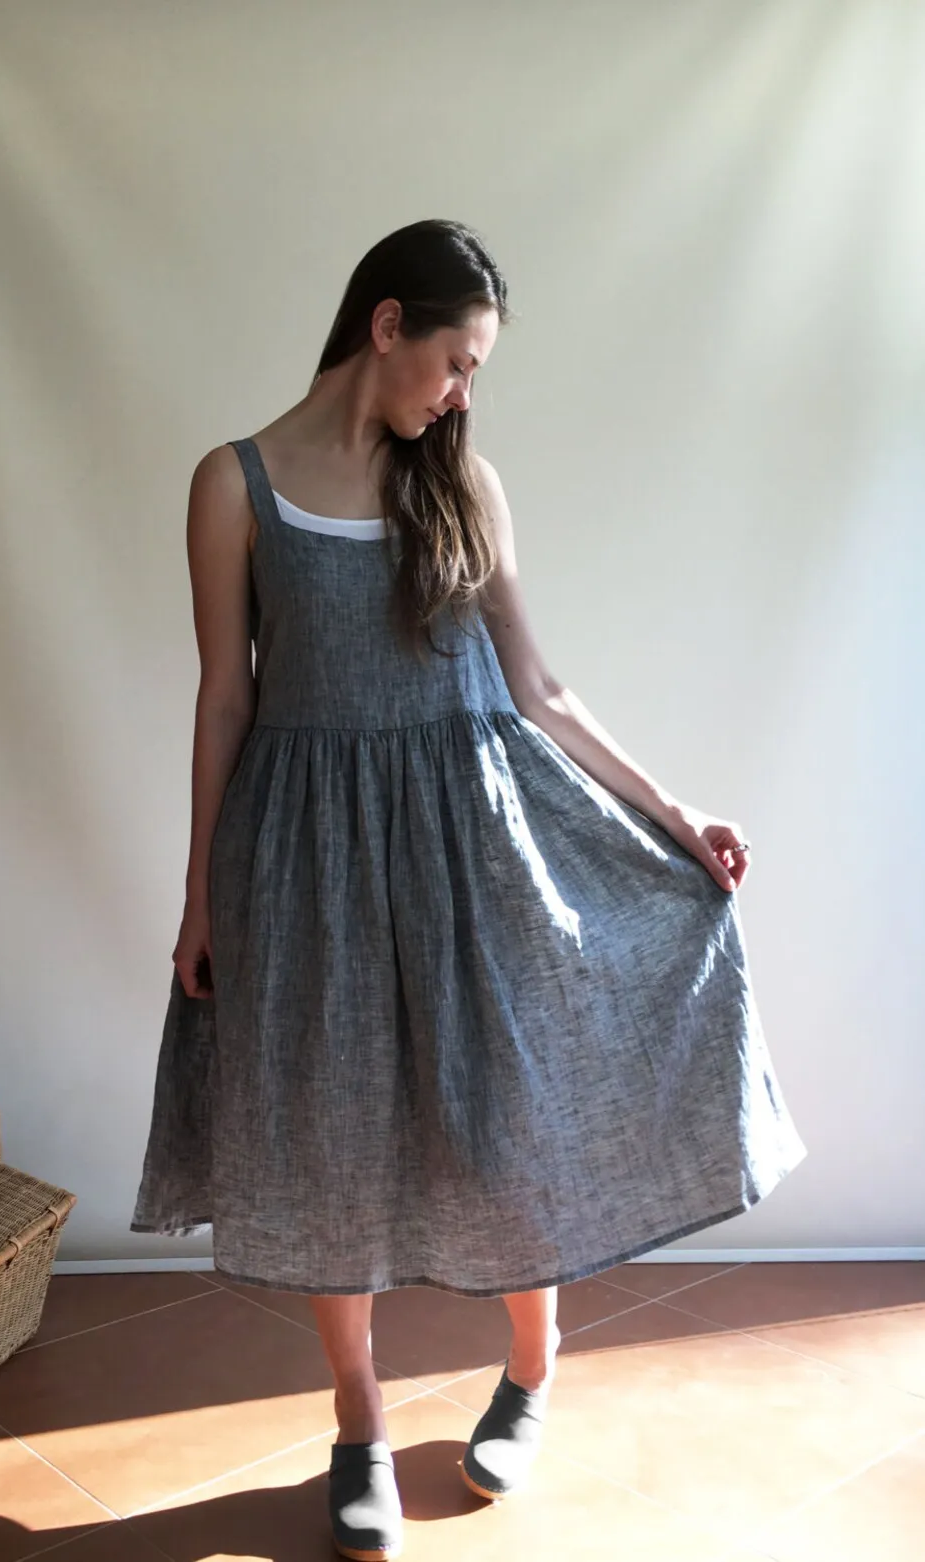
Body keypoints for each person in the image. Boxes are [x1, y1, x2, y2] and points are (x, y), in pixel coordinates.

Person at [131, 218, 807, 1559]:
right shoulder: (234, 484)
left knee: (506, 1121)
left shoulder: (464, 487)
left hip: (471, 846)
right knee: (326, 1140)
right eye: (457, 361)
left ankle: (533, 1370)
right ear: (387, 325)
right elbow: (225, 700)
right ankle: (359, 1424)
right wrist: (200, 894)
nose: (460, 395)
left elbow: (538, 688)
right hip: (306, 856)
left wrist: (675, 814)